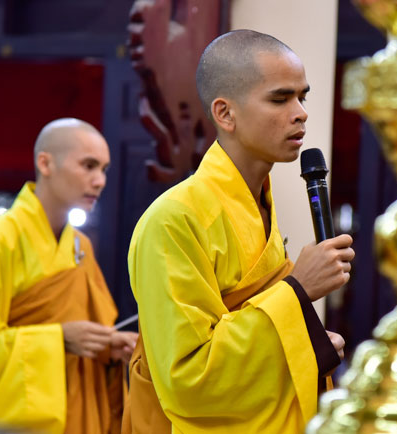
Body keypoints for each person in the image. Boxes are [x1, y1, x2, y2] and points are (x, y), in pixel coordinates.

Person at [122, 30, 354, 433]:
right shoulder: (174, 220)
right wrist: (298, 289)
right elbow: (188, 377)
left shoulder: (258, 205)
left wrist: (309, 345)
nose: (300, 113)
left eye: (303, 97)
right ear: (225, 113)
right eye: (280, 99)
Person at [0, 118, 138, 434]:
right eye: (88, 166)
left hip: (79, 411)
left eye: (104, 169)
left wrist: (106, 346)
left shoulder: (81, 246)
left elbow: (88, 329)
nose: (100, 181)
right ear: (45, 163)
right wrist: (58, 339)